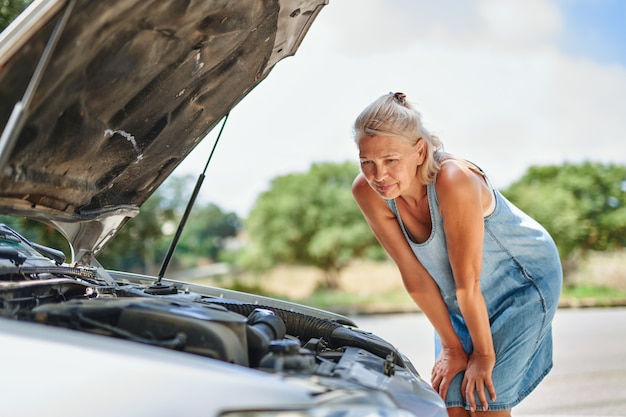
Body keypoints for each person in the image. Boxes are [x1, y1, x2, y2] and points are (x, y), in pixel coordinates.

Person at [351, 92, 562, 416]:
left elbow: (469, 282)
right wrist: (452, 347)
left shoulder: (453, 180)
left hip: (522, 283)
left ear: (419, 150)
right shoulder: (368, 192)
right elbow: (416, 276)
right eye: (367, 162)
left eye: (391, 160)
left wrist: (483, 355)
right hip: (461, 297)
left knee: (484, 402)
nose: (379, 175)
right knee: (453, 403)